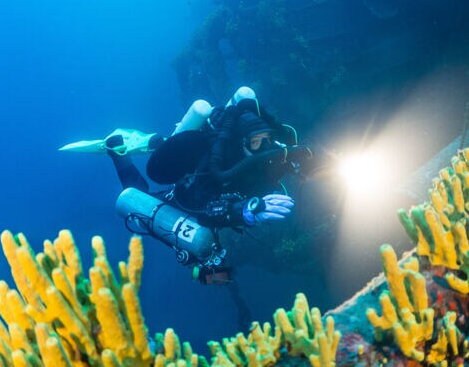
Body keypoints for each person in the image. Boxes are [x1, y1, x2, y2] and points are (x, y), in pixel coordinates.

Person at [88, 87, 308, 284]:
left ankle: (158, 143)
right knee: (139, 200)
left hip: (206, 188)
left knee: (209, 257)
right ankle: (118, 153)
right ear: (242, 141)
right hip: (185, 200)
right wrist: (241, 212)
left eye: (267, 139)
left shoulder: (254, 157)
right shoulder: (216, 162)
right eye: (256, 141)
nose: (265, 147)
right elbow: (204, 208)